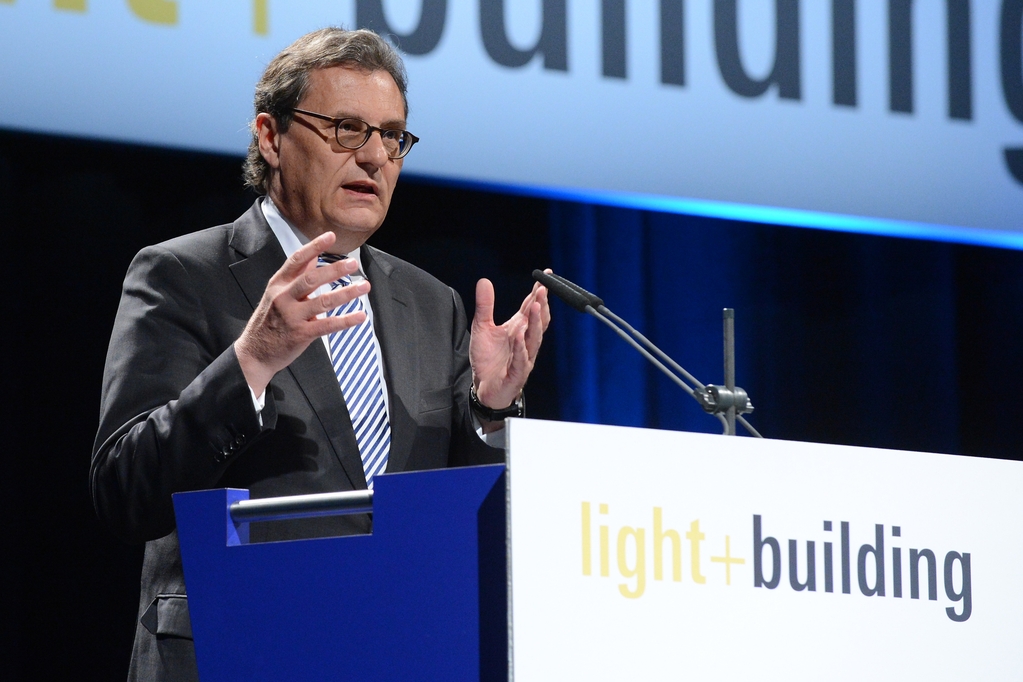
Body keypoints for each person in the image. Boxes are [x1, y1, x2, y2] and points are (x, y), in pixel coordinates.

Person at [91, 27, 549, 681]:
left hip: (399, 649)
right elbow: (124, 489)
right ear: (271, 138)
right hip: (238, 648)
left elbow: (460, 515)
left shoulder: (431, 303)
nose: (373, 157)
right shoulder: (182, 275)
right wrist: (251, 358)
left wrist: (489, 411)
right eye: (345, 129)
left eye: (391, 136)